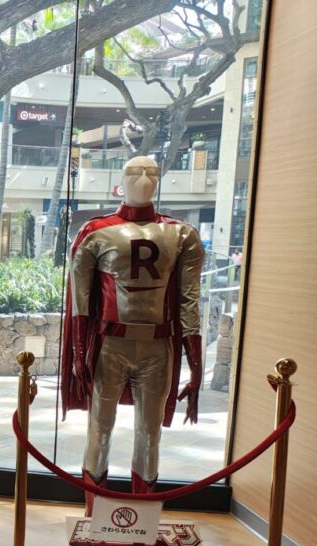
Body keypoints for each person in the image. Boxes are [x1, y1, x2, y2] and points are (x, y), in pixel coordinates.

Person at [61, 156, 204, 515]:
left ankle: (143, 517)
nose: (143, 178)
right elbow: (80, 303)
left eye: (152, 172)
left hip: (156, 347)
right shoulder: (96, 232)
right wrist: (79, 352)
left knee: (150, 435)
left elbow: (188, 303)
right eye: (134, 172)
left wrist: (196, 366)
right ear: (120, 180)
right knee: (99, 430)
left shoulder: (181, 234)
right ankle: (95, 515)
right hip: (111, 345)